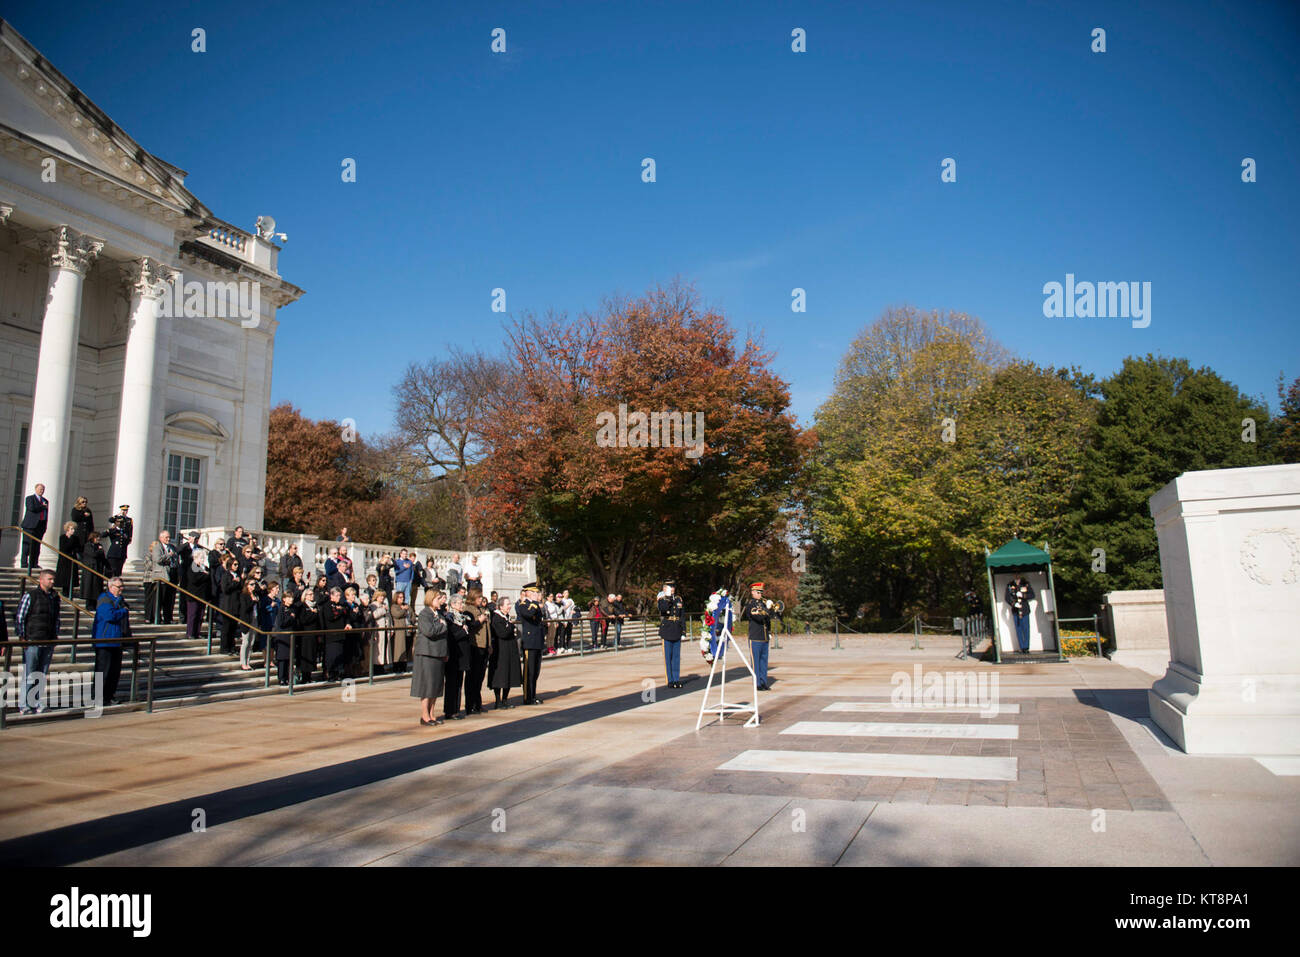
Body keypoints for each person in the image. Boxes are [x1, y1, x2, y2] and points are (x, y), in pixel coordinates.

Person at [15, 568, 60, 714]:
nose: (52, 582)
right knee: (30, 672)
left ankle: (36, 701)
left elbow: (56, 618)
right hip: (33, 639)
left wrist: (55, 635)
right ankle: (24, 704)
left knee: (41, 673)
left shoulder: (54, 597)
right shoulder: (31, 595)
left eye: (53, 579)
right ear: (41, 580)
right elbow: (21, 616)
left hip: (48, 639)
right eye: (49, 579)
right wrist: (22, 636)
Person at [91, 576, 130, 706]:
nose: (121, 589)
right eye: (119, 587)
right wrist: (123, 611)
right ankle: (98, 697)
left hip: (117, 640)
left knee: (114, 672)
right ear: (111, 587)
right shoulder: (104, 599)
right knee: (103, 671)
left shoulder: (120, 600)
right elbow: (109, 615)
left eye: (122, 587)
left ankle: (109, 695)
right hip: (105, 639)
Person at [412, 589, 449, 726]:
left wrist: (446, 652)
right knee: (427, 685)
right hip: (427, 653)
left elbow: (444, 634)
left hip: (438, 653)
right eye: (438, 598)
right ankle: (425, 715)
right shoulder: (424, 614)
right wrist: (441, 625)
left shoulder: (438, 614)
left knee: (436, 686)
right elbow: (429, 631)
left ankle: (432, 713)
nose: (440, 601)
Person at [488, 596, 522, 709]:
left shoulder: (506, 617)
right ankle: (498, 701)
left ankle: (505, 700)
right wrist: (511, 628)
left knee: (509, 674)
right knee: (500, 676)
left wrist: (510, 628)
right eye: (507, 604)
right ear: (501, 606)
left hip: (509, 650)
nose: (509, 606)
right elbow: (503, 633)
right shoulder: (496, 618)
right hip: (500, 650)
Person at [443, 594, 473, 719]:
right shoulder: (449, 617)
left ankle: (456, 708)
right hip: (454, 654)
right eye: (460, 603)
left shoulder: (462, 617)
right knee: (451, 683)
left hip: (462, 655)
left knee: (459, 683)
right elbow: (453, 634)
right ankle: (450, 710)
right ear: (453, 604)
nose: (462, 605)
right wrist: (464, 631)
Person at [515, 582, 545, 705]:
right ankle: (528, 697)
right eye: (533, 593)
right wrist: (534, 603)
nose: (536, 595)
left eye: (536, 593)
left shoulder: (534, 605)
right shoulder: (524, 605)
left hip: (537, 640)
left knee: (536, 671)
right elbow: (529, 614)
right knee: (529, 672)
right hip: (529, 641)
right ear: (527, 593)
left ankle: (533, 695)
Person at [740, 582, 772, 690]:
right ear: (752, 592)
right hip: (755, 637)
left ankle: (763, 682)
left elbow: (769, 619)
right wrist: (767, 611)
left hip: (764, 637)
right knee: (756, 662)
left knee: (764, 661)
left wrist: (770, 610)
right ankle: (757, 683)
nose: (760, 594)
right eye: (758, 592)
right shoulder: (751, 605)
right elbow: (758, 618)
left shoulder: (763, 604)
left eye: (761, 592)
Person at [465, 595, 491, 714]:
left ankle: (477, 703)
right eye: (479, 597)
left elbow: (487, 629)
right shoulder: (468, 610)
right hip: (475, 646)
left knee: (479, 677)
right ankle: (470, 704)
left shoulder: (481, 610)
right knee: (472, 677)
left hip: (484, 646)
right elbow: (471, 627)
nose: (481, 600)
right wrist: (479, 621)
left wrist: (489, 644)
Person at [658, 579, 685, 688]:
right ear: (664, 589)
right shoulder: (662, 599)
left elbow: (682, 615)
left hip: (676, 629)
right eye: (669, 587)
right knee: (668, 657)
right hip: (667, 630)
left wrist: (683, 630)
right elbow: (663, 609)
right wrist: (668, 598)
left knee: (676, 657)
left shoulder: (679, 599)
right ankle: (670, 680)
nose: (672, 589)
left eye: (673, 587)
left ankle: (676, 679)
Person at [19, 483, 49, 571]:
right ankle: (24, 564)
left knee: (36, 546)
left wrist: (45, 526)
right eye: (40, 489)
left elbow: (46, 514)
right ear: (36, 489)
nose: (41, 491)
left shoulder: (45, 501)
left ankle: (34, 563)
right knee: (27, 545)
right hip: (30, 526)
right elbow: (31, 508)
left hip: (40, 526)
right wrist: (42, 507)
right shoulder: (30, 498)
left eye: (43, 489)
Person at [295, 588, 323, 683]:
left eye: (312, 594)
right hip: (305, 636)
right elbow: (303, 620)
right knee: (305, 655)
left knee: (312, 655)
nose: (312, 596)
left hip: (313, 635)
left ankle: (309, 676)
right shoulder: (302, 606)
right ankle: (304, 677)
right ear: (305, 596)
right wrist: (313, 614)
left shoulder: (315, 606)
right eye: (310, 594)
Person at [272, 588, 299, 686]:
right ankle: (281, 678)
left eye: (292, 598)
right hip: (283, 636)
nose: (291, 600)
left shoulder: (293, 608)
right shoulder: (282, 609)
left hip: (290, 636)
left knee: (289, 659)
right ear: (284, 599)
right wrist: (290, 617)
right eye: (289, 598)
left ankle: (288, 677)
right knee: (282, 659)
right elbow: (281, 623)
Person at [185, 547, 211, 640]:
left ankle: (197, 632)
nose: (202, 560)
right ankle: (190, 633)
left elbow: (209, 576)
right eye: (201, 558)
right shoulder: (192, 567)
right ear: (195, 558)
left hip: (202, 595)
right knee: (193, 615)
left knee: (200, 615)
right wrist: (204, 575)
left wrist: (205, 574)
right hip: (194, 595)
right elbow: (194, 579)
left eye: (203, 558)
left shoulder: (205, 568)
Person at [1005, 575, 1036, 653]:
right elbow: (1007, 597)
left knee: (1026, 629)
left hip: (1024, 609)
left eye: (1018, 573)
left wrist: (1023, 595)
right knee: (1018, 629)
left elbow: (1032, 595)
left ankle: (1026, 647)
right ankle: (1022, 647)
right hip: (1016, 610)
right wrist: (1013, 604)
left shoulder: (1025, 584)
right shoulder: (1010, 585)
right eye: (1015, 574)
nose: (1017, 576)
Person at [236, 577, 261, 671]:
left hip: (255, 619)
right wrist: (253, 601)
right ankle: (243, 662)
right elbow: (244, 608)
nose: (253, 586)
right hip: (246, 620)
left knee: (251, 642)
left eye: (254, 584)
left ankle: (248, 662)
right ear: (247, 586)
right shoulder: (244, 595)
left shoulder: (255, 594)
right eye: (251, 584)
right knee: (245, 642)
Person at [80, 532, 109, 608]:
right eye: (97, 537)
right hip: (90, 569)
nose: (98, 539)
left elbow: (103, 558)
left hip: (98, 569)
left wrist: (108, 567)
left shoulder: (99, 546)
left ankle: (94, 604)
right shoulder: (88, 545)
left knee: (96, 587)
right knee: (89, 586)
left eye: (99, 537)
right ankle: (89, 604)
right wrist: (100, 551)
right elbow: (93, 554)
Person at [106, 505, 133, 576]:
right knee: (113, 569)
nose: (125, 512)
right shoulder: (118, 518)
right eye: (123, 510)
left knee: (119, 568)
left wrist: (130, 538)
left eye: (126, 510)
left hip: (124, 538)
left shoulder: (129, 520)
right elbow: (110, 520)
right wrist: (118, 514)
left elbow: (130, 530)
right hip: (117, 538)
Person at [389, 590, 411, 674]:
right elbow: (397, 615)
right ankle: (397, 667)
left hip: (407, 629)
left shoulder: (405, 605)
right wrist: (404, 610)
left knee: (406, 648)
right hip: (399, 630)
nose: (402, 599)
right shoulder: (394, 606)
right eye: (400, 597)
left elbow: (411, 613)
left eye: (403, 597)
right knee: (399, 649)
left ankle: (404, 666)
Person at [55, 521, 78, 598]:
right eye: (71, 529)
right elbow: (64, 548)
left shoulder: (75, 538)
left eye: (74, 529)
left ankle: (70, 591)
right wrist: (70, 540)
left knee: (72, 575)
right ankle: (65, 591)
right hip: (64, 559)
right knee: (64, 576)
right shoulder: (62, 537)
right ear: (67, 529)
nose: (73, 531)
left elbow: (78, 548)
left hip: (72, 559)